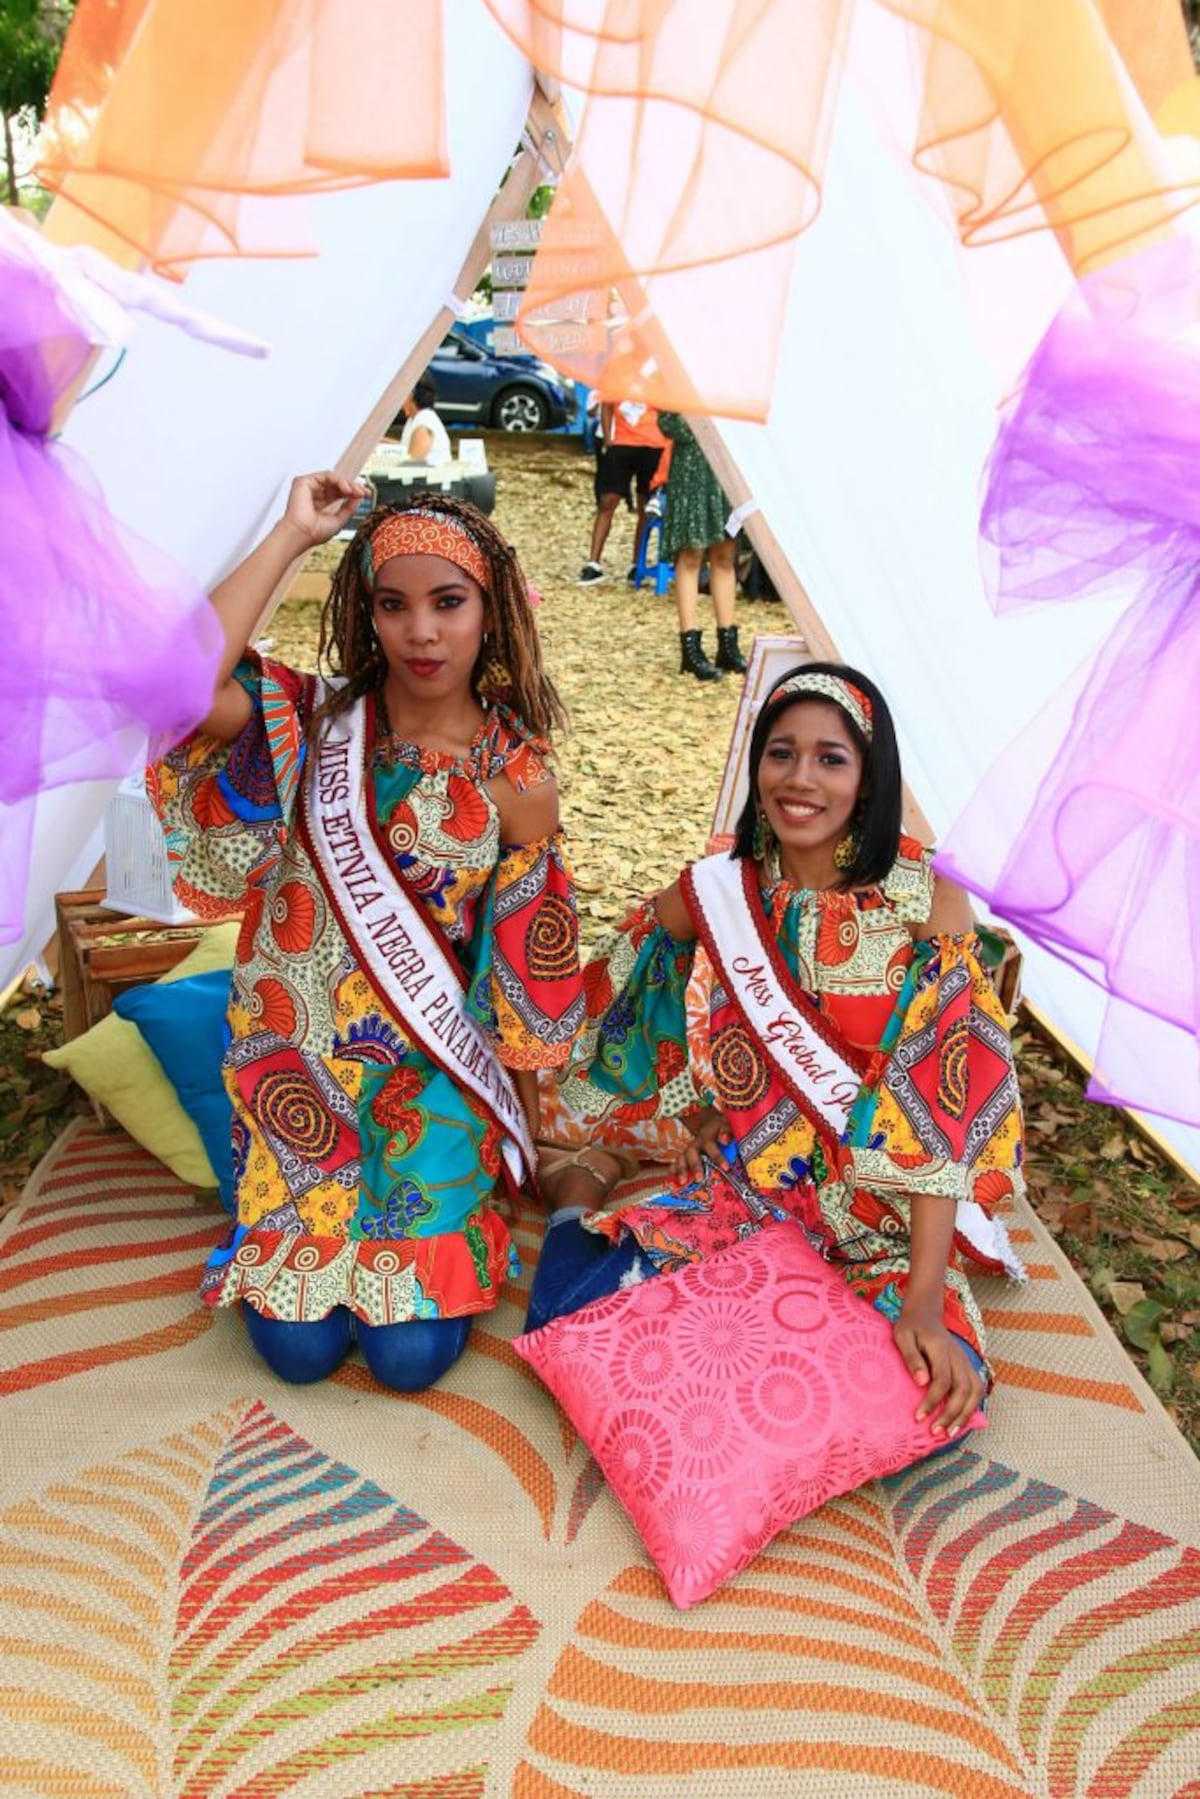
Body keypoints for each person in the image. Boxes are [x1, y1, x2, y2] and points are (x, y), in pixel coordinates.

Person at [150, 474, 585, 1391]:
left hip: (428, 1089)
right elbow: (177, 686)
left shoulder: (517, 777)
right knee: (299, 1355)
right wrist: (291, 535)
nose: (421, 632)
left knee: (408, 1357)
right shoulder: (309, 724)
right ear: (368, 613)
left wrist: (528, 1131)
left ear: (491, 607)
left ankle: (439, 1231)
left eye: (447, 602)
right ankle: (287, 1225)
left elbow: (523, 971)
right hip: (295, 1075)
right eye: (394, 605)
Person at [530, 663, 1027, 1443]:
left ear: (868, 778)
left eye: (831, 757)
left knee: (919, 1404)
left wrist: (926, 1297)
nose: (800, 779)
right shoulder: (722, 889)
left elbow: (942, 1105)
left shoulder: (923, 898)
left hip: (881, 1224)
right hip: (753, 1192)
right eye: (780, 753)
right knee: (569, 1320)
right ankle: (576, 1190)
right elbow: (641, 979)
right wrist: (701, 1108)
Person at [656, 411, 746, 681]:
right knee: (691, 554)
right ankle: (690, 648)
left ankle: (727, 644)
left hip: (725, 466)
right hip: (692, 469)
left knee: (725, 555)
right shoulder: (678, 375)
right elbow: (669, 423)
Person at [578, 400, 667, 585]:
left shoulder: (662, 373)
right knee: (608, 500)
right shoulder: (619, 372)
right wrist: (609, 441)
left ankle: (637, 564)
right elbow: (607, 404)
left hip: (654, 444)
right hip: (622, 442)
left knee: (646, 505)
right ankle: (594, 563)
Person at [398, 377, 452, 465]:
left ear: (410, 395)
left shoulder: (424, 421)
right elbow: (405, 446)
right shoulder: (414, 418)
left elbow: (412, 465)